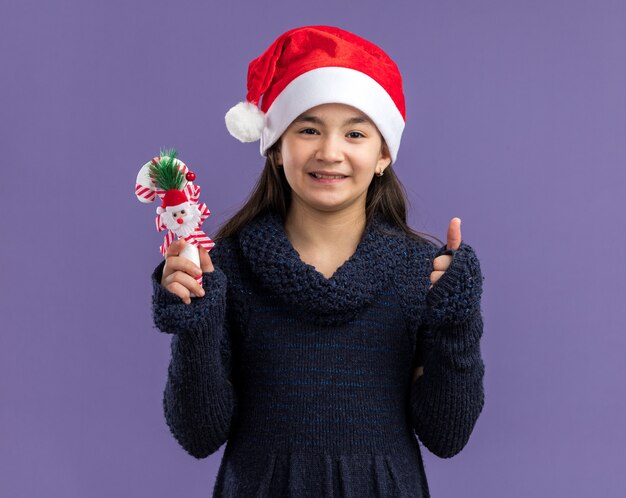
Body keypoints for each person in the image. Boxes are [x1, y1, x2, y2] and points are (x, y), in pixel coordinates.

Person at [151, 25, 485, 498]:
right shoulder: (223, 267)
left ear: (383, 154)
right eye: (308, 129)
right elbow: (198, 434)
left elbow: (447, 435)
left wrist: (456, 324)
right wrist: (195, 324)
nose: (330, 152)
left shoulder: (422, 273)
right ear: (276, 146)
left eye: (355, 132)